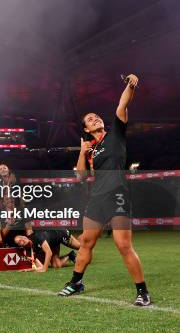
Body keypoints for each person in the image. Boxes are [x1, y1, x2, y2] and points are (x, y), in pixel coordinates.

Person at [57, 74, 151, 306]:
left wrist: (130, 85)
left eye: (96, 116)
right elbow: (80, 176)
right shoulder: (91, 151)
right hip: (97, 199)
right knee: (87, 242)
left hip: (118, 194)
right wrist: (81, 151)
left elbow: (122, 103)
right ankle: (76, 282)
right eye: (90, 119)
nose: (96, 119)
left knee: (123, 244)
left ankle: (142, 292)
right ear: (86, 129)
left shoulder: (116, 133)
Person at [14, 230, 80, 272]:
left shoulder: (37, 237)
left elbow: (49, 253)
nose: (22, 240)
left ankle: (85, 238)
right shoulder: (28, 252)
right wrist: (28, 270)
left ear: (24, 236)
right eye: (19, 242)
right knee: (56, 265)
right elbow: (39, 266)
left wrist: (44, 269)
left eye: (22, 238)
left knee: (80, 247)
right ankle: (71, 255)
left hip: (60, 233)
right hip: (53, 243)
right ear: (20, 246)